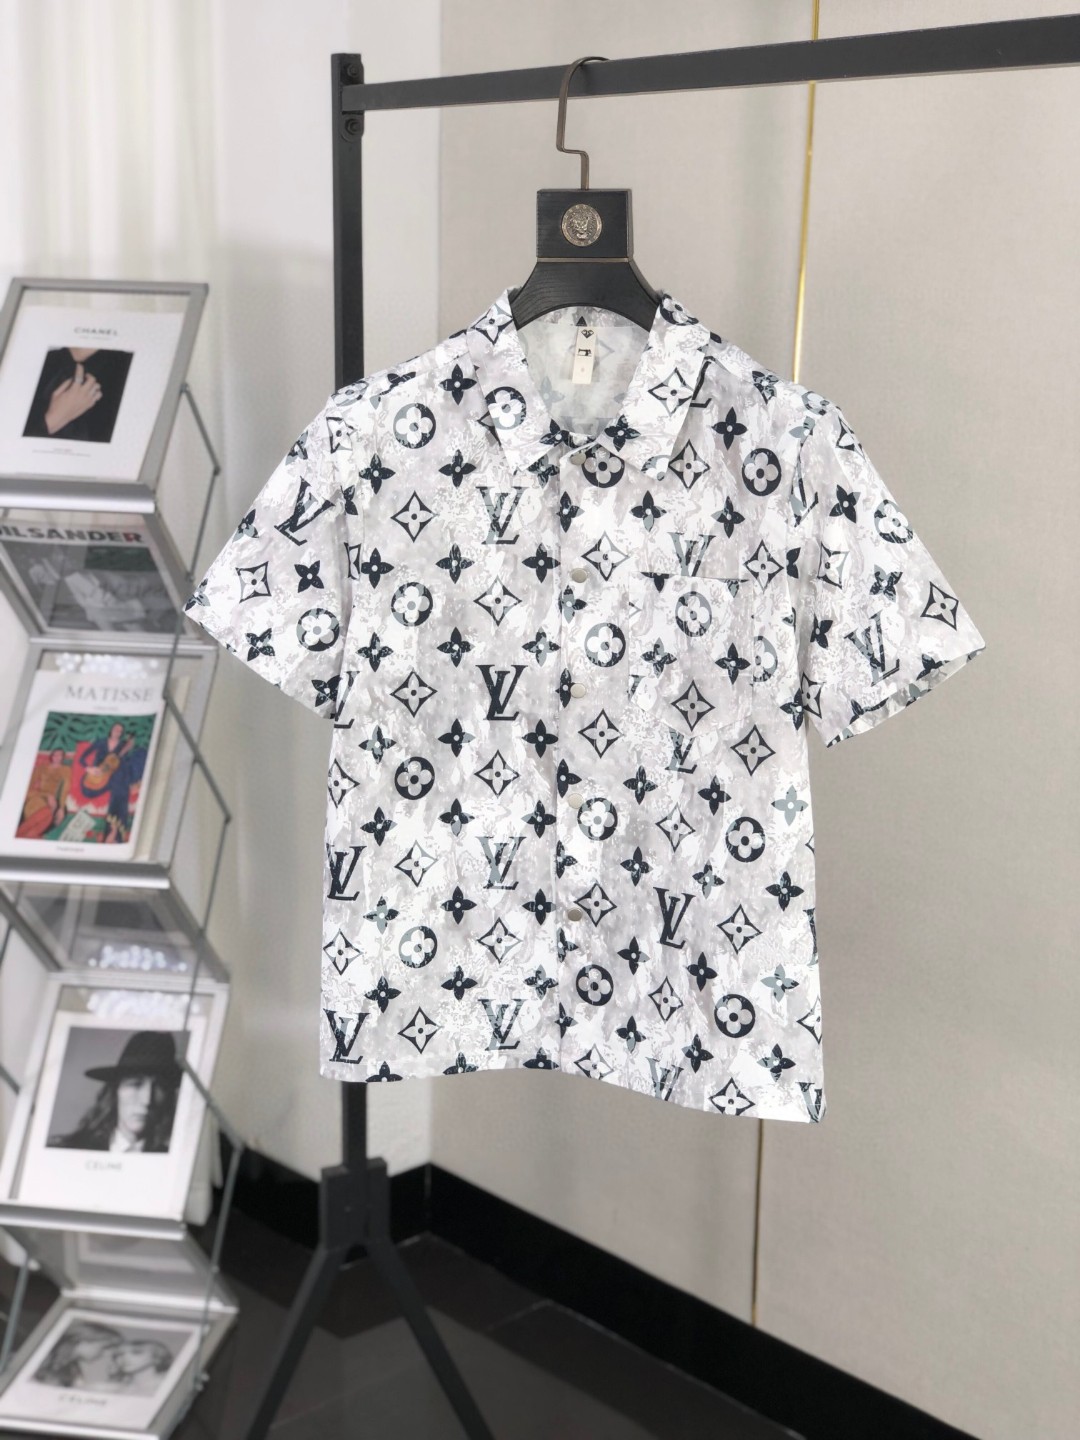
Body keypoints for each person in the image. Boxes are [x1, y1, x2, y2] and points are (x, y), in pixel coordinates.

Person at [49, 1031, 184, 1153]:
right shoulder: (66, 1151)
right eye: (135, 1084)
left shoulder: (176, 1160)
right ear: (115, 1091)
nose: (147, 1100)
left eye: (160, 1087)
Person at [78, 720, 148, 844]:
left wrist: (127, 749)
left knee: (121, 782)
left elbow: (124, 761)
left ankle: (113, 833)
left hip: (118, 775)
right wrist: (89, 768)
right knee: (120, 786)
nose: (118, 732)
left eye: (120, 731)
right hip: (100, 778)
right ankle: (115, 833)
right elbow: (82, 758)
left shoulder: (123, 744)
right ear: (111, 730)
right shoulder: (101, 742)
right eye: (116, 729)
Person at [33, 1320, 122, 1388]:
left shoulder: (72, 1368)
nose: (107, 1354)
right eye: (105, 1347)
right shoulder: (41, 1356)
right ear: (82, 1340)